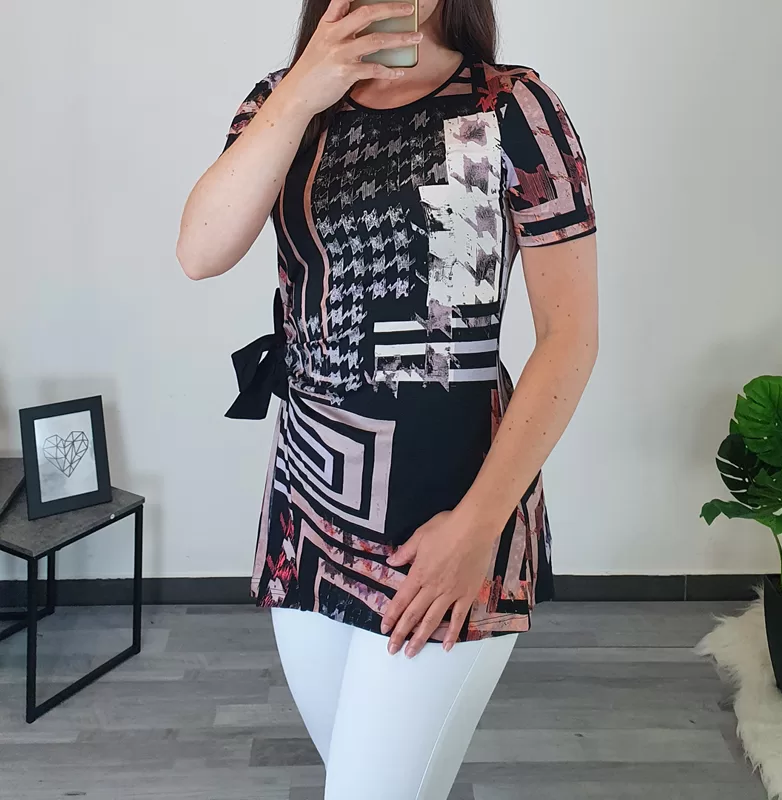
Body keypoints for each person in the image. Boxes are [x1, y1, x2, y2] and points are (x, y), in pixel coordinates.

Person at [177, 0, 598, 797]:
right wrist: (305, 87)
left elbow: (570, 337)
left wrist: (475, 530)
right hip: (308, 516)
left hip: (448, 521)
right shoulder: (284, 104)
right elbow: (200, 251)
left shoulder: (506, 107)